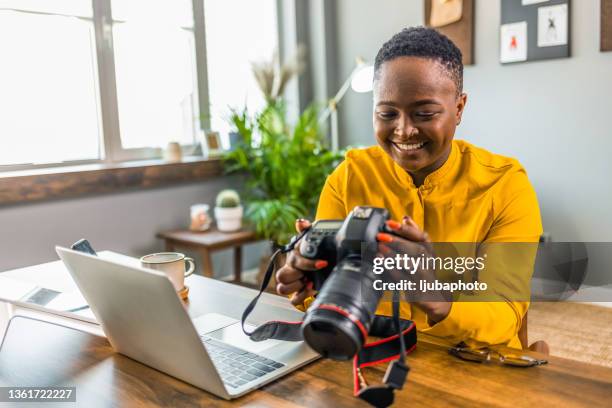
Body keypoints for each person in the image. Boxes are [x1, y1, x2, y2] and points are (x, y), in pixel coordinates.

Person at [275, 27, 542, 349]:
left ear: (459, 108)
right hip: (369, 352)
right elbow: (327, 297)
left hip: (471, 364)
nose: (404, 130)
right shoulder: (348, 178)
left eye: (425, 113)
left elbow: (505, 314)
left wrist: (434, 297)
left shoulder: (505, 185)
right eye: (386, 113)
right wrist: (306, 279)